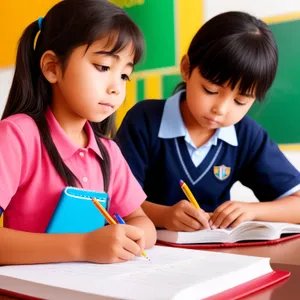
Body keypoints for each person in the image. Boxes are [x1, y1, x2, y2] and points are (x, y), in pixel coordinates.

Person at [0, 0, 156, 265]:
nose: (116, 88)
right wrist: (84, 246)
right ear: (52, 67)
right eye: (104, 67)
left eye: (124, 76)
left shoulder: (108, 152)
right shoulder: (16, 137)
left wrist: (132, 237)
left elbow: (142, 221)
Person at [115, 11, 300, 232]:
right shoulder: (144, 120)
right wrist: (164, 216)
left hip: (217, 255)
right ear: (186, 69)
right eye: (210, 90)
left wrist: (252, 210)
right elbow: (115, 200)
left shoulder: (247, 135)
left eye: (240, 101)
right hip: (148, 252)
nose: (220, 109)